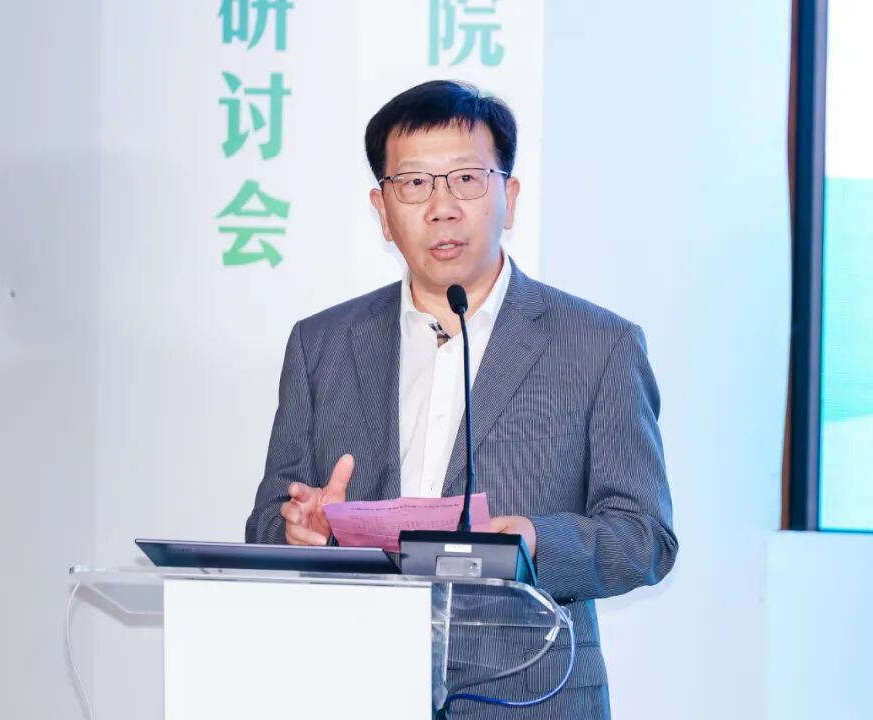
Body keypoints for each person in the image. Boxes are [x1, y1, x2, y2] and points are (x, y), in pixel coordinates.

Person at [245, 79, 677, 719]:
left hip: (531, 697)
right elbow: (265, 522)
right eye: (414, 183)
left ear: (510, 197)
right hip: (353, 686)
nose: (441, 207)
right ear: (382, 209)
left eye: (467, 180)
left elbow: (644, 536)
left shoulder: (598, 344)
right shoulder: (321, 344)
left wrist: (537, 540)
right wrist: (296, 529)